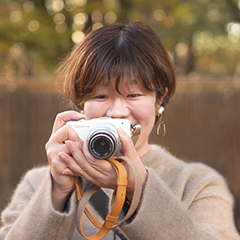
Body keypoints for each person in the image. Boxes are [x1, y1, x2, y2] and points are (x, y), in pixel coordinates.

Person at [0, 21, 239, 240]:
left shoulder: (197, 185)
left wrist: (140, 189)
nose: (116, 111)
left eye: (133, 94)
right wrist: (56, 192)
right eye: (100, 96)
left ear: (160, 100)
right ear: (81, 103)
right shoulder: (39, 185)